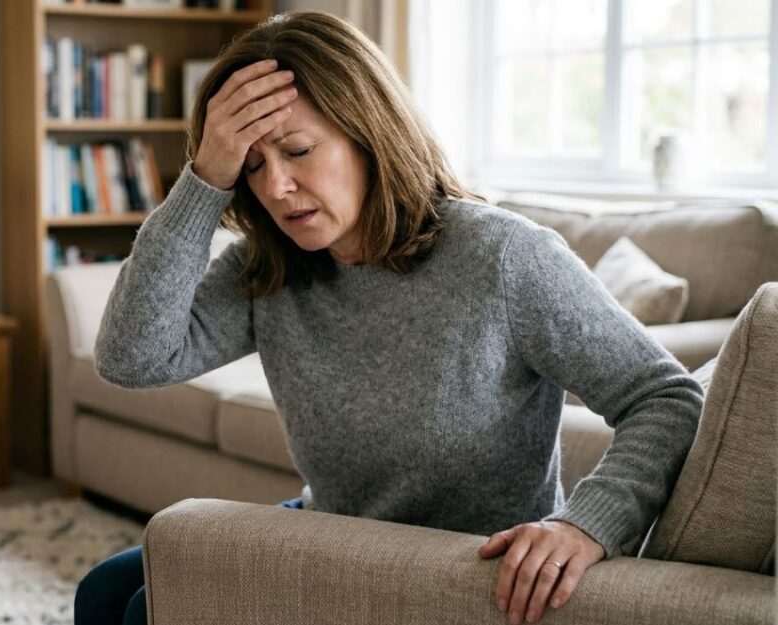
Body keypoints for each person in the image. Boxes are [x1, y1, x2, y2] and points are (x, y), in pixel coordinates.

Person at [75, 11, 702, 625]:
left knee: (146, 609)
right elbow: (132, 358)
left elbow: (666, 398)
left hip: (462, 566)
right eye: (251, 165)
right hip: (333, 535)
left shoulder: (504, 256)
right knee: (107, 589)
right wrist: (203, 180)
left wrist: (587, 522)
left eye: (296, 150)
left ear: (368, 131)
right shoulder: (271, 266)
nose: (276, 187)